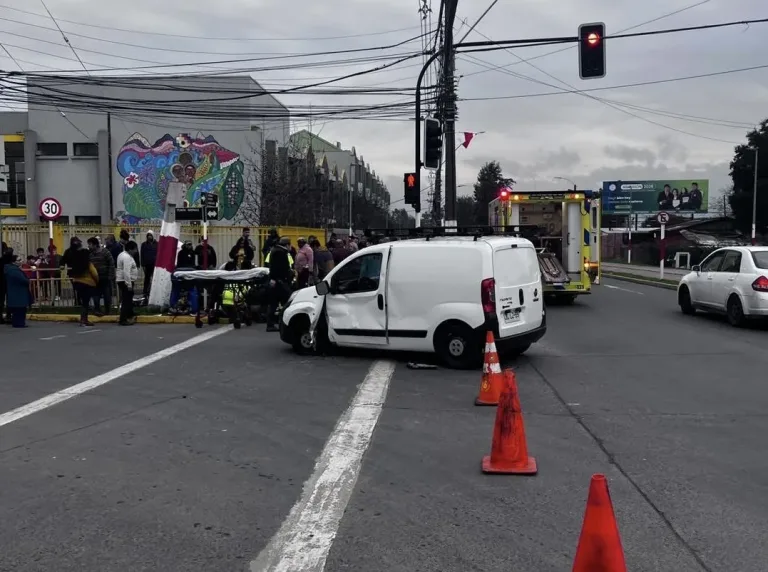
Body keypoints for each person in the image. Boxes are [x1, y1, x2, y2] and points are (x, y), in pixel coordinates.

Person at [61, 238, 99, 327]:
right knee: (86, 302)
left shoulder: (74, 263)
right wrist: (97, 281)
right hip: (87, 283)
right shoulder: (87, 263)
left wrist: (62, 265)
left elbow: (63, 261)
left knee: (83, 301)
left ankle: (83, 318)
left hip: (76, 281)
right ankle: (84, 319)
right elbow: (95, 273)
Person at [266, 237, 293, 332]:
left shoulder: (276, 250)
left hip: (276, 281)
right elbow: (279, 268)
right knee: (288, 301)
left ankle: (272, 323)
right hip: (280, 281)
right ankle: (284, 322)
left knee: (274, 303)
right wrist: (287, 275)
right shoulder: (280, 253)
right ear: (287, 244)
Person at [87, 237, 115, 316]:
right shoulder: (90, 254)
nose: (88, 246)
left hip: (105, 278)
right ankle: (97, 310)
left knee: (107, 295)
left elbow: (111, 263)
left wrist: (110, 275)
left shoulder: (105, 252)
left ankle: (107, 311)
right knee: (95, 295)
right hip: (95, 279)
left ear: (95, 245)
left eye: (90, 244)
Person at [3, 254, 31, 328]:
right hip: (18, 293)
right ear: (14, 262)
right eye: (19, 260)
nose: (21, 261)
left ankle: (17, 323)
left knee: (18, 310)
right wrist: (28, 281)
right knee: (20, 310)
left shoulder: (11, 269)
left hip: (15, 292)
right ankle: (19, 323)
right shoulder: (14, 270)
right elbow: (22, 279)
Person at [116, 241, 138, 326]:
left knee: (128, 299)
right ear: (130, 249)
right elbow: (126, 271)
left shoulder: (123, 254)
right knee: (126, 300)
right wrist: (129, 284)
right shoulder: (127, 257)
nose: (136, 251)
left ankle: (130, 314)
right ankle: (123, 319)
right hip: (125, 281)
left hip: (123, 280)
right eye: (135, 249)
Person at [140, 231, 157, 297]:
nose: (149, 236)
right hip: (147, 265)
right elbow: (142, 255)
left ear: (153, 236)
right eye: (148, 235)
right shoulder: (144, 244)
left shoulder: (157, 244)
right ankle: (145, 292)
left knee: (155, 279)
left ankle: (155, 292)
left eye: (150, 235)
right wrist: (143, 264)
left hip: (155, 265)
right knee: (147, 279)